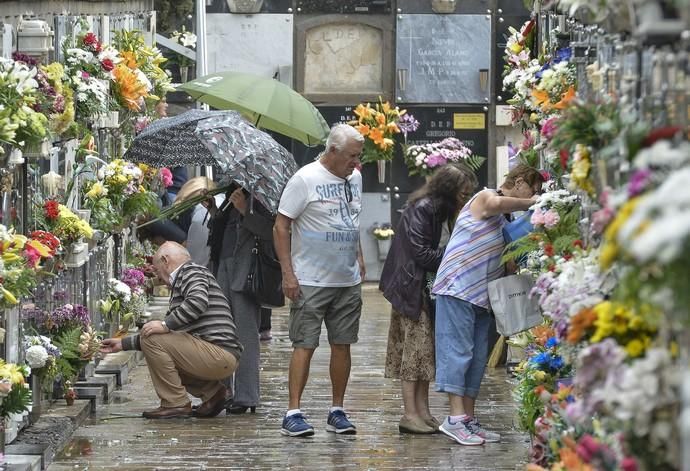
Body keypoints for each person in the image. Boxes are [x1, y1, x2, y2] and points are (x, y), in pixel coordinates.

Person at [431, 164, 545, 445]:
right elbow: (495, 203)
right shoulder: (484, 197)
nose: (535, 195)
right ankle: (454, 419)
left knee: (476, 359)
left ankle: (468, 419)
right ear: (518, 183)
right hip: (457, 289)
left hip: (483, 297)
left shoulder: (505, 221)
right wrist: (533, 204)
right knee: (457, 353)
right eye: (534, 189)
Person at [274, 123, 365, 437]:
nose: (357, 162)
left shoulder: (356, 178)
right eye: (352, 155)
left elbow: (351, 218)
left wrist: (360, 257)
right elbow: (281, 226)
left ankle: (337, 410)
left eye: (359, 155)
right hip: (310, 279)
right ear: (333, 151)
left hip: (347, 280)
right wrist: (288, 273)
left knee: (343, 345)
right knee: (304, 344)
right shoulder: (305, 179)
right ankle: (293, 412)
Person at [379, 163, 478, 435]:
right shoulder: (424, 209)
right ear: (448, 190)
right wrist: (454, 254)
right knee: (413, 354)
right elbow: (422, 254)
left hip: (425, 289)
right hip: (412, 289)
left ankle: (423, 411)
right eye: (462, 193)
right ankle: (410, 413)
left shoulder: (441, 210)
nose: (466, 199)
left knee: (424, 355)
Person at [99, 242, 242, 419]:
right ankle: (213, 394)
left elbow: (197, 302)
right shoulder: (190, 275)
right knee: (157, 342)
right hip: (220, 353)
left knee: (153, 338)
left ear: (166, 260)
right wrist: (122, 344)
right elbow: (167, 339)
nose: (159, 277)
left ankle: (176, 404)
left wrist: (165, 324)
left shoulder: (190, 272)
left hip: (219, 353)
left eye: (158, 271)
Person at [207, 183, 275, 414]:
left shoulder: (259, 195)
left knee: (245, 335)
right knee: (220, 331)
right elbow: (221, 234)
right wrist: (214, 211)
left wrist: (245, 209)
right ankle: (221, 391)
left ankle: (247, 397)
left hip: (245, 272)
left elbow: (270, 231)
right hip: (222, 269)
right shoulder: (230, 193)